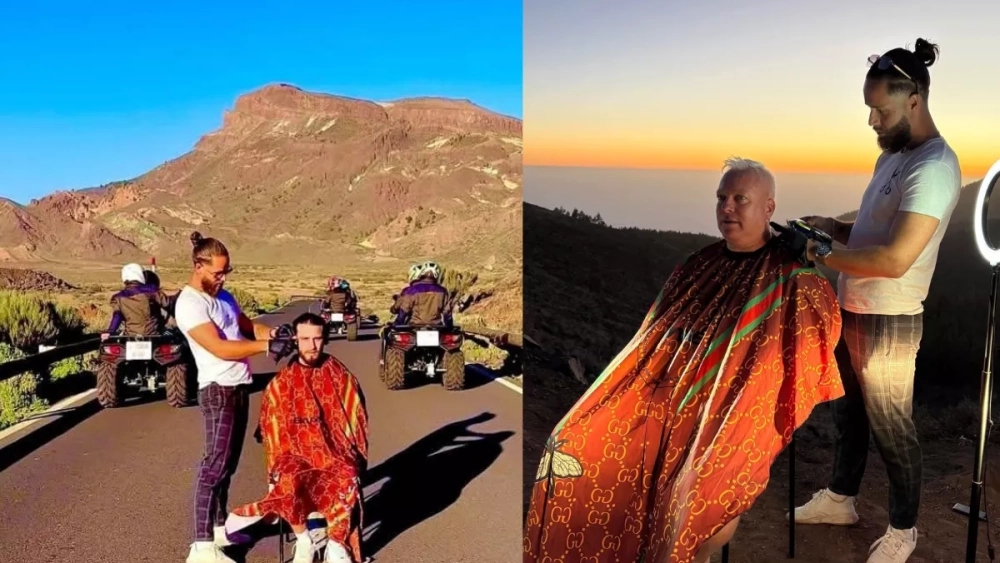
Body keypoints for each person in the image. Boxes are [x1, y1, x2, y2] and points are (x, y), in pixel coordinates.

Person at [522, 157, 846, 563]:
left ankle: (694, 555)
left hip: (737, 411)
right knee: (569, 444)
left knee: (694, 485)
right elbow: (654, 339)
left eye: (740, 199)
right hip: (669, 392)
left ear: (769, 208)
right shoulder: (699, 263)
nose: (727, 207)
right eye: (721, 198)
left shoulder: (792, 276)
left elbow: (810, 348)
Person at [791, 38, 961, 563]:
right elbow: (871, 233)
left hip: (889, 320)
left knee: (892, 429)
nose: (872, 122)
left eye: (879, 110)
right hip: (855, 309)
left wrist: (818, 254)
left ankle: (903, 531)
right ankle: (841, 501)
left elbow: (893, 260)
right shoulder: (894, 157)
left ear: (914, 100)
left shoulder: (932, 166)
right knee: (851, 418)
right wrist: (834, 228)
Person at [174, 231, 282, 563]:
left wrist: (277, 335)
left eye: (225, 273)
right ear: (198, 266)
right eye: (217, 273)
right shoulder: (189, 304)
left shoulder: (225, 297)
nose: (221, 279)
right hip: (217, 390)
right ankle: (202, 546)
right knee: (213, 467)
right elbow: (220, 348)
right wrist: (266, 348)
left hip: (239, 387)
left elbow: (248, 329)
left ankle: (220, 528)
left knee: (229, 465)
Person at [227, 313, 369, 563]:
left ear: (325, 339)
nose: (311, 346)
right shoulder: (281, 382)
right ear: (295, 338)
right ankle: (304, 540)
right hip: (294, 456)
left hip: (333, 453)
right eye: (304, 339)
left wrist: (352, 454)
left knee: (347, 472)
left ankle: (337, 544)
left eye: (317, 339)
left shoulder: (341, 376)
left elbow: (355, 418)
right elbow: (270, 426)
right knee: (288, 479)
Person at [101, 263, 174, 340]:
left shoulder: (119, 297)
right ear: (140, 275)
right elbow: (168, 304)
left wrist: (111, 331)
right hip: (154, 335)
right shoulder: (152, 291)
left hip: (130, 336)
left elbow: (117, 316)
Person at [392, 261, 450, 327]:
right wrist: (449, 327)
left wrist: (397, 323)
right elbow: (447, 312)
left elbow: (404, 310)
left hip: (414, 325)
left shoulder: (412, 290)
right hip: (436, 326)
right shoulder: (442, 291)